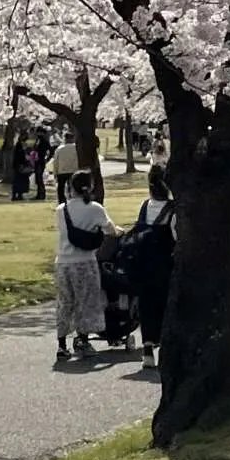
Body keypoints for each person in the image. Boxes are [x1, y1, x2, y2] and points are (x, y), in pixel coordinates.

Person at [54, 171, 117, 361]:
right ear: (89, 187)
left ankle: (62, 344)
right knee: (85, 301)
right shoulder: (95, 209)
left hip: (63, 263)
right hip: (85, 262)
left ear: (71, 187)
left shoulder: (61, 210)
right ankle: (82, 339)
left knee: (65, 302)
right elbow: (110, 230)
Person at [126, 166, 176, 369]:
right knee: (165, 304)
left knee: (147, 305)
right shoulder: (173, 209)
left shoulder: (145, 206)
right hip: (164, 263)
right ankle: (164, 344)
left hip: (143, 263)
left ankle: (147, 348)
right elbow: (176, 236)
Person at [51, 132, 79, 202]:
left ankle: (61, 201)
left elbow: (55, 162)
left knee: (61, 188)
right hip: (74, 171)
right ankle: (73, 200)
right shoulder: (77, 148)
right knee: (73, 187)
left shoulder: (59, 149)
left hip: (62, 171)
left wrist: (55, 172)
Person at [32, 130, 52, 200]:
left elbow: (51, 150)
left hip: (41, 161)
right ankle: (39, 194)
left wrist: (47, 158)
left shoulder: (44, 141)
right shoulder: (38, 140)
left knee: (39, 178)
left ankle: (42, 194)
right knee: (38, 178)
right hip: (37, 161)